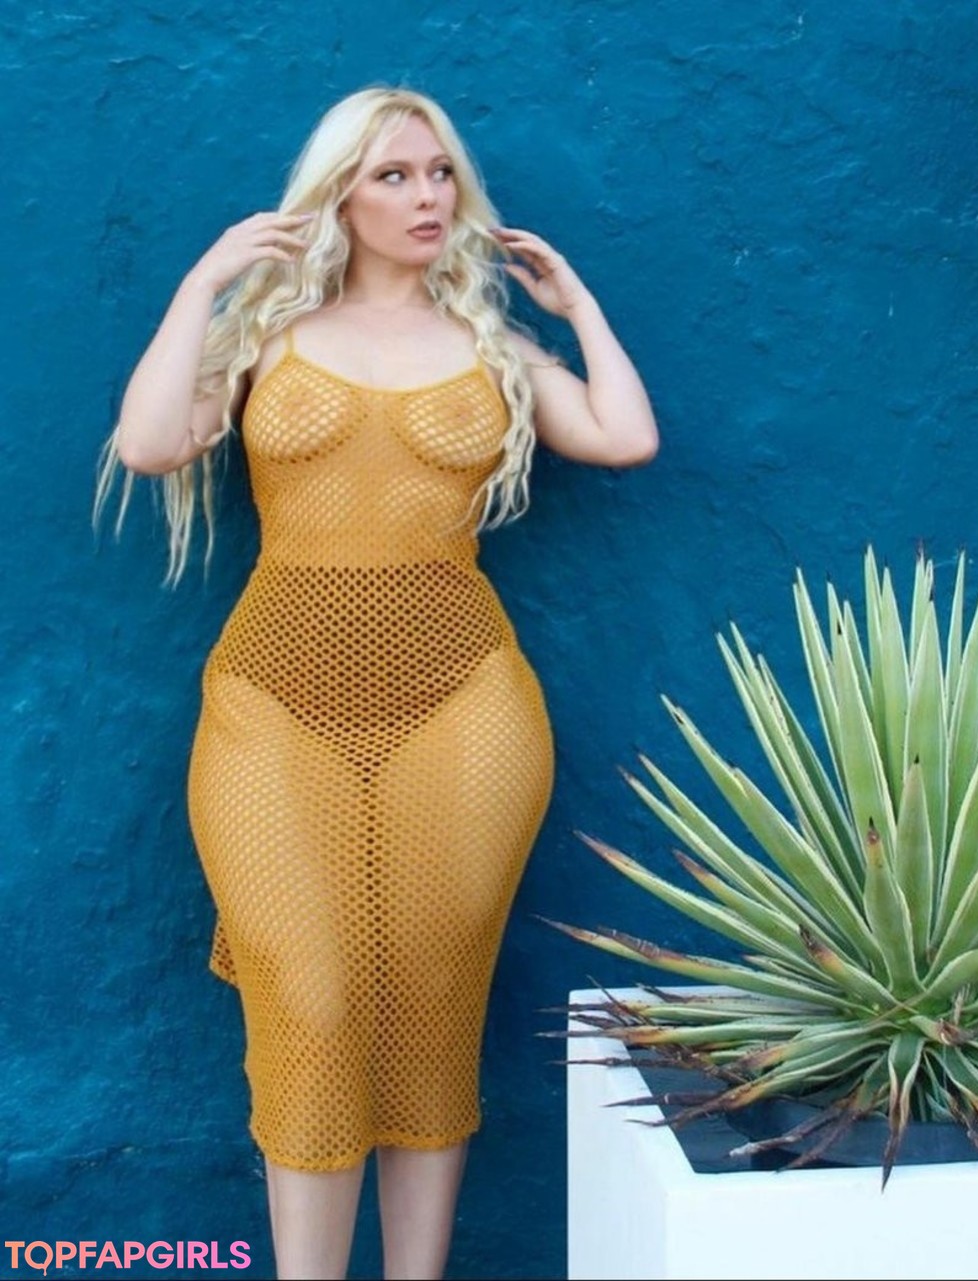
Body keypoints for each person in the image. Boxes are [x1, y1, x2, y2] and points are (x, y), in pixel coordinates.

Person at [95, 85, 658, 1281]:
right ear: (339, 197)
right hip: (273, 699)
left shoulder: (493, 346)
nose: (426, 197)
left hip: (464, 702)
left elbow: (623, 437)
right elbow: (149, 444)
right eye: (393, 176)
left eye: (439, 173)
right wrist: (203, 286)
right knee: (308, 998)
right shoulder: (269, 335)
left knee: (431, 1001)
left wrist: (580, 309)